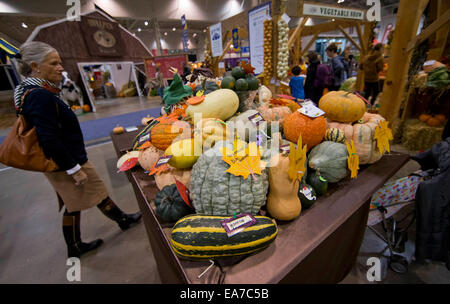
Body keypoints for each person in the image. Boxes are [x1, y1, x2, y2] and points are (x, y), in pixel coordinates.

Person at [13, 41, 141, 258]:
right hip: (65, 161)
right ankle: (80, 243)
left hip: (62, 159)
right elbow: (49, 138)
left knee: (83, 198)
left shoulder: (29, 90)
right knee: (83, 198)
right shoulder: (39, 95)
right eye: (54, 63)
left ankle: (118, 222)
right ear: (35, 66)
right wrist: (73, 168)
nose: (61, 67)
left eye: (60, 62)